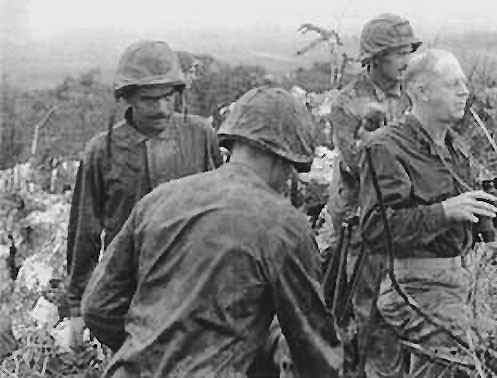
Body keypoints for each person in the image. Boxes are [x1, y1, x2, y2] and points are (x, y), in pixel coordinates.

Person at [81, 87, 343, 377]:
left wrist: (154, 349)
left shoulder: (159, 199)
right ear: (286, 160)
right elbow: (313, 348)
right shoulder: (284, 226)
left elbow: (98, 307)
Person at [359, 49, 497, 377]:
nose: (464, 91)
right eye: (451, 84)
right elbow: (376, 230)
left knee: (486, 355)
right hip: (413, 287)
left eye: (464, 82)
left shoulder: (455, 147)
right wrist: (444, 212)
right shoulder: (386, 148)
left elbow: (464, 220)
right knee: (483, 347)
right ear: (420, 91)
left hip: (457, 285)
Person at [64, 40, 224, 345]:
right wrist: (77, 307)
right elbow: (84, 230)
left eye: (168, 97)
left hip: (193, 279)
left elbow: (221, 205)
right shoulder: (102, 150)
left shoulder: (200, 134)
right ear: (129, 99)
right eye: (149, 99)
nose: (162, 108)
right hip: (129, 285)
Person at [323, 13, 421, 377]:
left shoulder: (412, 95)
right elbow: (353, 165)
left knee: (403, 311)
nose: (406, 61)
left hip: (403, 222)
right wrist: (370, 134)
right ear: (376, 57)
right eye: (398, 54)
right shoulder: (348, 102)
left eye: (409, 52)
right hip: (362, 227)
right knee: (368, 317)